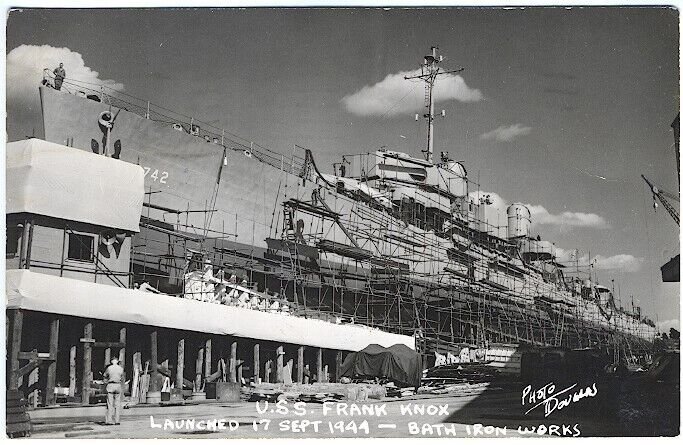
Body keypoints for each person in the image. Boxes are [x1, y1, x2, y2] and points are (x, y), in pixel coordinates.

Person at [103, 357, 124, 425]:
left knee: (110, 403)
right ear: (117, 361)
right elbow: (122, 377)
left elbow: (105, 376)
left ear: (111, 361)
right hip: (118, 385)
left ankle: (109, 420)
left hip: (111, 385)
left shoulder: (109, 368)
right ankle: (117, 420)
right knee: (117, 404)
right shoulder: (121, 368)